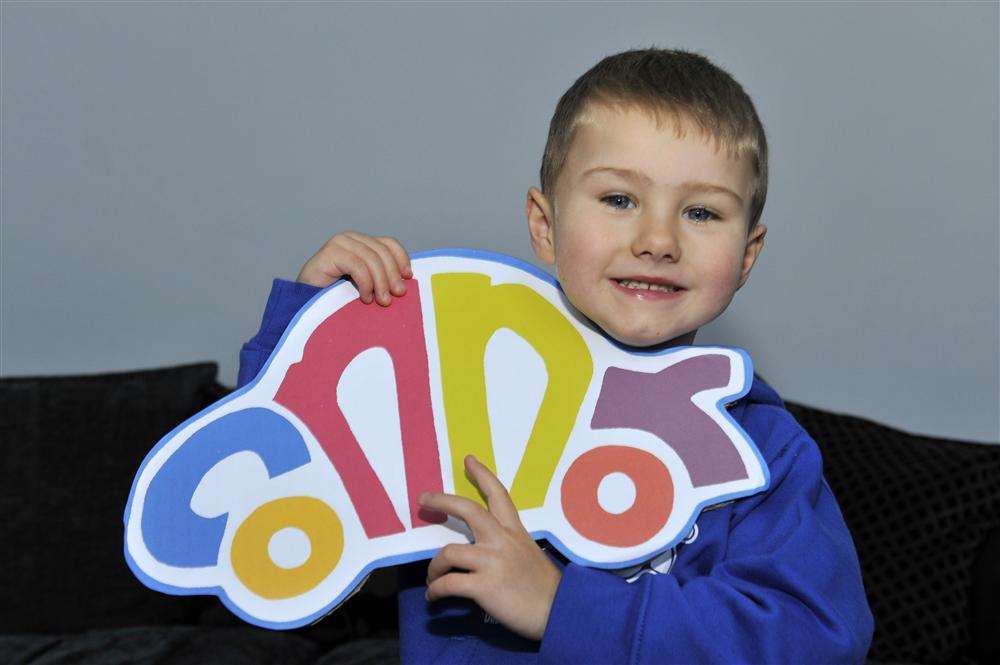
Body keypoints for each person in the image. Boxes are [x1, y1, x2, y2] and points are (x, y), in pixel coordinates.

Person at [236, 47, 874, 663]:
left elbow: (815, 637)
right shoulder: (451, 388)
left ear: (747, 256)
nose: (657, 240)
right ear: (545, 225)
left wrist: (561, 605)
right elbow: (273, 514)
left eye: (702, 212)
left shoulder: (764, 447)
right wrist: (309, 327)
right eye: (619, 199)